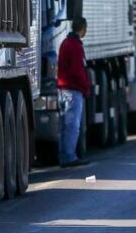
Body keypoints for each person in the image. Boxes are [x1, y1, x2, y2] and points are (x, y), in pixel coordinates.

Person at [57, 17, 91, 167]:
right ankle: (69, 156)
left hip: (63, 89)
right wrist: (86, 87)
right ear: (82, 28)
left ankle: (64, 155)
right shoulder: (75, 46)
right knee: (73, 126)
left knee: (65, 125)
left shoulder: (65, 43)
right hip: (73, 90)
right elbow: (78, 71)